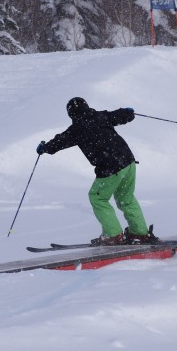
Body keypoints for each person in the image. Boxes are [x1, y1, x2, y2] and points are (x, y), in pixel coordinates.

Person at [36, 97, 156, 246]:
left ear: (70, 114)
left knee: (97, 198)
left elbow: (59, 142)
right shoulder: (101, 116)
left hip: (110, 167)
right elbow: (121, 115)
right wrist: (128, 112)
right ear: (87, 106)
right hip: (128, 162)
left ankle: (113, 235)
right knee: (127, 199)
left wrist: (45, 147)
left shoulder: (77, 129)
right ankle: (140, 233)